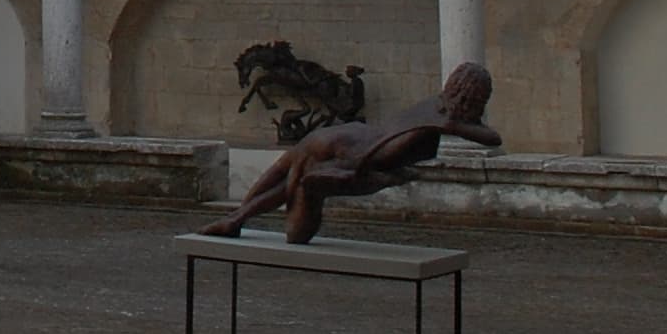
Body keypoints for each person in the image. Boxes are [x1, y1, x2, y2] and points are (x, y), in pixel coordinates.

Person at [203, 62, 500, 246]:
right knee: (295, 223)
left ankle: (236, 218)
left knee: (283, 173)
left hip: (344, 136)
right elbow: (491, 138)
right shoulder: (445, 120)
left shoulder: (435, 104)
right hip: (349, 149)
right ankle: (235, 219)